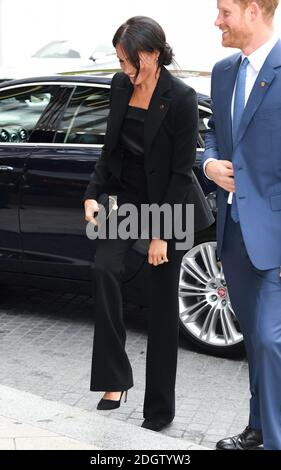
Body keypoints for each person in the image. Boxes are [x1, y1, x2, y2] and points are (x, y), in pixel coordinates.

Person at [84, 16, 213, 432]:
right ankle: (114, 379)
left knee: (160, 308)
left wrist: (160, 234)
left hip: (169, 204)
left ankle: (158, 412)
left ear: (153, 54)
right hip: (124, 198)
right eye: (120, 60)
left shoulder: (181, 98)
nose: (124, 70)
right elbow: (110, 148)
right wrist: (91, 193)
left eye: (129, 61)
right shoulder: (120, 86)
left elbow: (180, 173)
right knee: (103, 268)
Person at [203, 0, 281, 450]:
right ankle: (257, 427)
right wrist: (210, 163)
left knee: (272, 342)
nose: (217, 21)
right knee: (254, 340)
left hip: (274, 238)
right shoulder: (223, 71)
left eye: (225, 11)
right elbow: (215, 132)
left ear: (254, 10)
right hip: (234, 235)